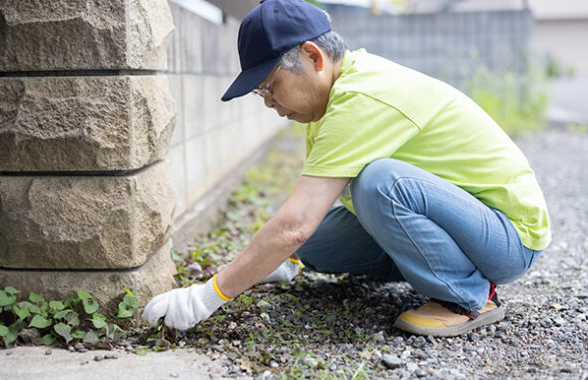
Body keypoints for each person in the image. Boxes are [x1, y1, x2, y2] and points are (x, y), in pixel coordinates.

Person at [142, 0, 550, 337]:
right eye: (259, 93)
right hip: (463, 224)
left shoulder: (361, 97)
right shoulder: (328, 102)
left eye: (269, 85)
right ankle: (433, 266)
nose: (267, 101)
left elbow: (294, 222)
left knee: (380, 185)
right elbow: (304, 220)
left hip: (509, 236)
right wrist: (271, 259)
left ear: (313, 56)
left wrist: (207, 296)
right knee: (310, 245)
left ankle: (468, 295)